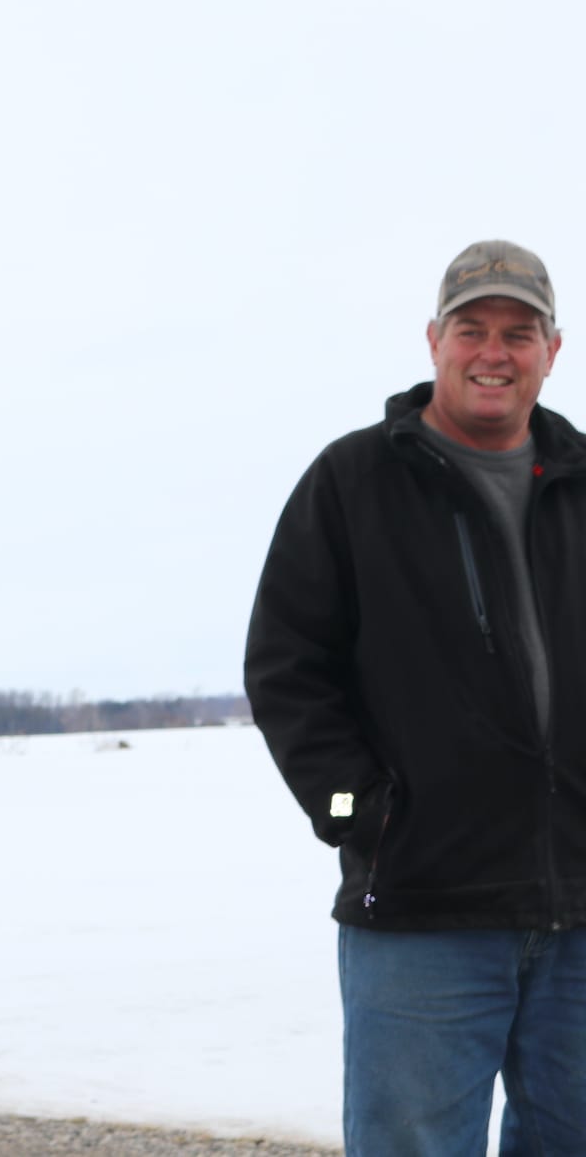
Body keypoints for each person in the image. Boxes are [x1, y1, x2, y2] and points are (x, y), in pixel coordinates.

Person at [245, 240, 586, 1154]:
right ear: (434, 340)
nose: (494, 352)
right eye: (472, 328)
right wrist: (363, 813)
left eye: (519, 333)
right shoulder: (353, 483)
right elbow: (287, 667)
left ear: (553, 350)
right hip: (423, 915)